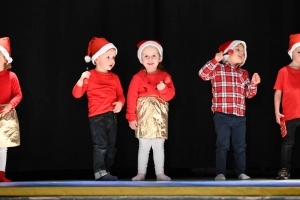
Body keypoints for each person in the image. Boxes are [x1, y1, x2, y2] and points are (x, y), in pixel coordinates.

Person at [199, 40, 261, 180]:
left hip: (239, 116)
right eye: (238, 49)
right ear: (229, 52)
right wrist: (215, 60)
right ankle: (220, 172)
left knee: (240, 146)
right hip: (222, 114)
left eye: (243, 52)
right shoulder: (217, 69)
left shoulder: (244, 73)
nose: (241, 53)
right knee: (222, 144)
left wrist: (253, 84)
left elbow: (249, 94)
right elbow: (202, 74)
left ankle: (241, 172)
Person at [72, 37, 125, 181]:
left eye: (113, 57)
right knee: (101, 145)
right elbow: (77, 94)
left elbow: (120, 95)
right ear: (96, 59)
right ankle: (99, 171)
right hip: (97, 117)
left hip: (111, 117)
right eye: (107, 57)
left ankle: (106, 171)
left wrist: (120, 103)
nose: (111, 60)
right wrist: (81, 80)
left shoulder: (114, 78)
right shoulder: (90, 76)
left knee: (111, 147)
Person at [126, 40, 175, 181]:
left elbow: (171, 95)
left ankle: (160, 173)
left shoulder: (165, 77)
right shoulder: (137, 78)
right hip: (143, 116)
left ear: (160, 58)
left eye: (154, 55)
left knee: (159, 146)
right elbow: (131, 97)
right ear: (141, 59)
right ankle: (141, 173)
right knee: (143, 145)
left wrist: (163, 89)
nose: (150, 59)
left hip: (159, 116)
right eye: (146, 56)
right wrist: (131, 117)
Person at [274, 33, 300, 180]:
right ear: (291, 53)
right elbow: (278, 92)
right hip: (289, 114)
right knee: (288, 143)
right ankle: (284, 169)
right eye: (299, 51)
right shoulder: (283, 71)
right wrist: (277, 112)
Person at [0, 37, 22, 182]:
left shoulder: (11, 76)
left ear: (5, 59)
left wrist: (10, 105)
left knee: (3, 147)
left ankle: (1, 174)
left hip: (6, 115)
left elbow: (18, 94)